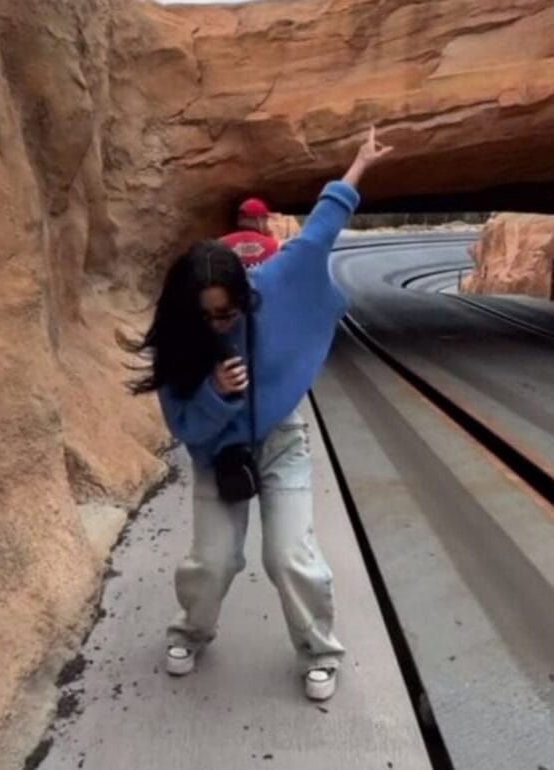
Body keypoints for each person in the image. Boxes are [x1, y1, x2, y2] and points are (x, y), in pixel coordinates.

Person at [127, 127, 392, 701]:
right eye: (206, 316)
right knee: (214, 561)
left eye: (227, 312)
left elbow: (320, 230)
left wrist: (359, 166)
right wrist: (215, 393)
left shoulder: (271, 285)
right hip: (217, 452)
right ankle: (191, 632)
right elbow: (184, 427)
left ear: (243, 295)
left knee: (289, 556)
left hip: (281, 440)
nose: (218, 323)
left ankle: (319, 652)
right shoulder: (179, 343)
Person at [220, 197, 281, 269]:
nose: (266, 224)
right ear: (259, 220)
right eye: (265, 220)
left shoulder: (221, 244)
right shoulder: (274, 245)